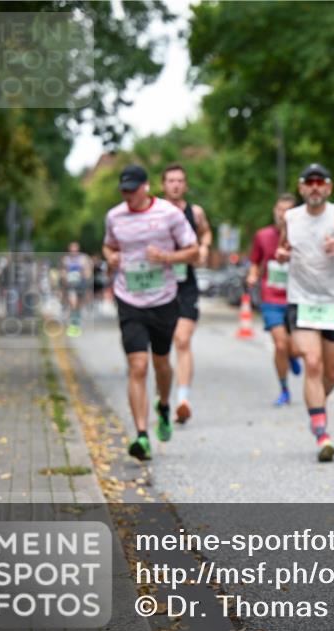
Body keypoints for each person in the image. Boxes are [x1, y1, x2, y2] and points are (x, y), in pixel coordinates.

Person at [102, 165, 199, 461]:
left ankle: (165, 404)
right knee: (137, 366)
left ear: (145, 187)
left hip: (163, 299)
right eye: (124, 190)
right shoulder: (114, 216)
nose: (128, 195)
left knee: (160, 364)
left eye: (133, 189)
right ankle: (142, 436)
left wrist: (166, 256)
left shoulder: (169, 213)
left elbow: (193, 251)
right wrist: (112, 257)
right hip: (128, 298)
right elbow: (107, 246)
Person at [280, 163, 334, 463]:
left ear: (329, 187)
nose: (315, 186)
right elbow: (282, 249)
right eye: (310, 182)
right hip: (302, 300)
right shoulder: (290, 218)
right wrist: (281, 255)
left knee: (330, 373)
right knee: (314, 364)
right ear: (301, 187)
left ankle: (315, 404)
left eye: (321, 182)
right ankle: (322, 432)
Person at [161, 164, 213, 425]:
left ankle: (183, 399)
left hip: (186, 284)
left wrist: (203, 248)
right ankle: (163, 399)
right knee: (161, 347)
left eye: (180, 181)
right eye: (171, 181)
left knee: (182, 340)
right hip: (159, 285)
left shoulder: (195, 212)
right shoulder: (154, 212)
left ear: (186, 185)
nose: (176, 185)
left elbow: (205, 232)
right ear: (163, 185)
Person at [248, 193, 302, 406]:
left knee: (296, 347)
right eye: (280, 210)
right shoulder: (262, 236)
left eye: (288, 210)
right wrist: (252, 275)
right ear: (274, 211)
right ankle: (284, 389)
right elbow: (255, 261)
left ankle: (293, 355)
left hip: (297, 297)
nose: (283, 215)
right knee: (280, 345)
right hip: (271, 297)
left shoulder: (301, 236)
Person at [61, 242, 91, 337]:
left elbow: (88, 271)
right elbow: (62, 272)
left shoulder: (83, 258)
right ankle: (73, 326)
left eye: (75, 249)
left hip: (81, 285)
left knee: (78, 306)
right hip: (71, 285)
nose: (73, 251)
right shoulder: (65, 259)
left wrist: (84, 277)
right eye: (72, 249)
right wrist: (65, 280)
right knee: (73, 304)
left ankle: (76, 324)